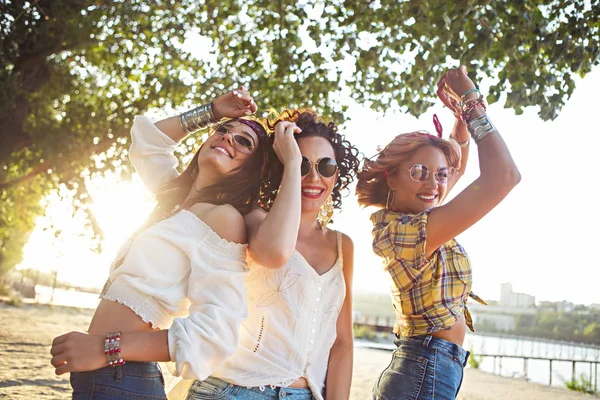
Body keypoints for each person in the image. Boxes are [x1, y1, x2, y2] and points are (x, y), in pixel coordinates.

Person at [50, 87, 272, 399]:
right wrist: (212, 111)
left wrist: (104, 347)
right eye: (223, 131)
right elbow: (147, 143)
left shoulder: (223, 219)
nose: (227, 138)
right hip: (102, 376)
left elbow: (215, 335)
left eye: (244, 142)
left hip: (123, 376)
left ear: (254, 169)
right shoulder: (174, 198)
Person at [356, 66, 521, 400]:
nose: (433, 184)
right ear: (392, 177)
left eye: (440, 175)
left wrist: (460, 119)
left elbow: (455, 162)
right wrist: (472, 102)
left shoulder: (420, 215)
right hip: (423, 370)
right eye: (419, 172)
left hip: (430, 367)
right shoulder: (403, 232)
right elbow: (504, 177)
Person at [185, 109, 361, 400]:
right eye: (302, 164)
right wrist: (290, 163)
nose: (314, 177)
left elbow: (342, 342)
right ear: (283, 168)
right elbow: (273, 252)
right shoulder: (252, 219)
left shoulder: (343, 246)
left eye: (326, 166)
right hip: (232, 390)